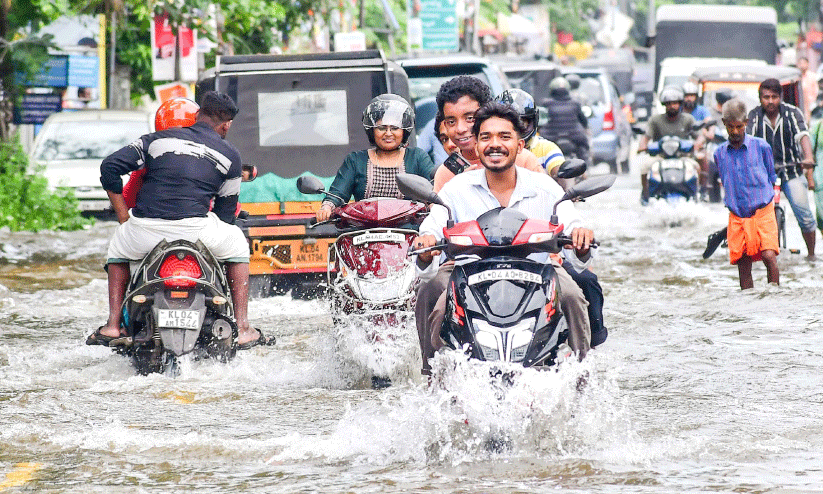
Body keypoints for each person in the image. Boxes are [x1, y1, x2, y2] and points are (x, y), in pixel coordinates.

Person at [413, 101, 596, 375]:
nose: (494, 144)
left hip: (539, 269)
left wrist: (580, 237)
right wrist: (426, 242)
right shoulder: (456, 189)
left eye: (504, 137)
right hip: (466, 271)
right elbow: (434, 224)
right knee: (434, 303)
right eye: (486, 137)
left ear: (520, 146)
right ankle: (433, 380)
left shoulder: (544, 187)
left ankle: (582, 379)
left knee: (573, 297)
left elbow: (571, 223)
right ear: (476, 146)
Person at [87, 91, 266, 349]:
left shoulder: (154, 141)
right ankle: (242, 327)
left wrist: (124, 216)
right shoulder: (230, 155)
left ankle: (114, 325)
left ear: (197, 115)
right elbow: (226, 215)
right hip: (197, 232)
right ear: (226, 125)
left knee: (117, 247)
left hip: (146, 231)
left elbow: (109, 167)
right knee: (237, 243)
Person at [316, 94, 435, 221]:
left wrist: (435, 207)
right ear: (372, 130)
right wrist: (327, 208)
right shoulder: (355, 160)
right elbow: (337, 194)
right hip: (361, 232)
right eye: (381, 128)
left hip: (408, 231)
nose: (388, 133)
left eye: (395, 128)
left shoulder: (417, 157)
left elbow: (434, 189)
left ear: (404, 131)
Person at [431, 75, 543, 192]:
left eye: (469, 118)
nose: (460, 129)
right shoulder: (446, 174)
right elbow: (439, 209)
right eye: (451, 122)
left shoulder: (522, 159)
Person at [746, 78, 817, 259]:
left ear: (781, 97)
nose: (770, 101)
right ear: (760, 98)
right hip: (763, 175)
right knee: (753, 216)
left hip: (791, 171)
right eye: (766, 97)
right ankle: (756, 253)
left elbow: (803, 136)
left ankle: (811, 255)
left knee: (805, 216)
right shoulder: (753, 116)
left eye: (774, 97)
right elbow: (748, 140)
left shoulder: (793, 113)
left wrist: (808, 157)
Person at [715, 98, 779, 289]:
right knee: (743, 263)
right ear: (724, 124)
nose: (735, 132)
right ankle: (748, 305)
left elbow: (771, 176)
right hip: (737, 215)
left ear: (746, 123)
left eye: (739, 127)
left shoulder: (761, 147)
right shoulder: (719, 153)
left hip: (763, 210)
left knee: (769, 255)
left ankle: (775, 295)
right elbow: (724, 179)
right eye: (730, 127)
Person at [123, 97, 200, 209]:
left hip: (152, 222)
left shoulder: (147, 158)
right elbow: (230, 207)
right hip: (198, 223)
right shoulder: (212, 158)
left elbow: (128, 199)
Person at [637, 86, 698, 204]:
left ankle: (698, 193)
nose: (672, 106)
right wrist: (642, 146)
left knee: (697, 167)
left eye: (675, 103)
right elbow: (645, 137)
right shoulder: (655, 120)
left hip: (682, 156)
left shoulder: (688, 119)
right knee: (644, 168)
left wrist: (697, 144)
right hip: (660, 156)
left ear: (680, 104)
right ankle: (646, 194)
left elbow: (699, 136)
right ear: (664, 104)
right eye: (669, 103)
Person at [494, 88, 566, 176]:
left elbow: (560, 175)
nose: (514, 130)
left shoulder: (546, 149)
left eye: (521, 123)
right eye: (507, 123)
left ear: (533, 122)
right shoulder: (489, 149)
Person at [541, 77, 591, 168]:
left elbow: (540, 121)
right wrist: (585, 128)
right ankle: (585, 170)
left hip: (551, 136)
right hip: (574, 136)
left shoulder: (545, 103)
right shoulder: (575, 103)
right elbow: (583, 120)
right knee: (583, 148)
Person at [798, 57, 818, 122]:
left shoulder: (812, 76)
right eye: (800, 63)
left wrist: (813, 102)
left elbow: (816, 90)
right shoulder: (797, 77)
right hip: (800, 103)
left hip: (811, 104)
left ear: (808, 64)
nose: (802, 65)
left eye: (804, 63)